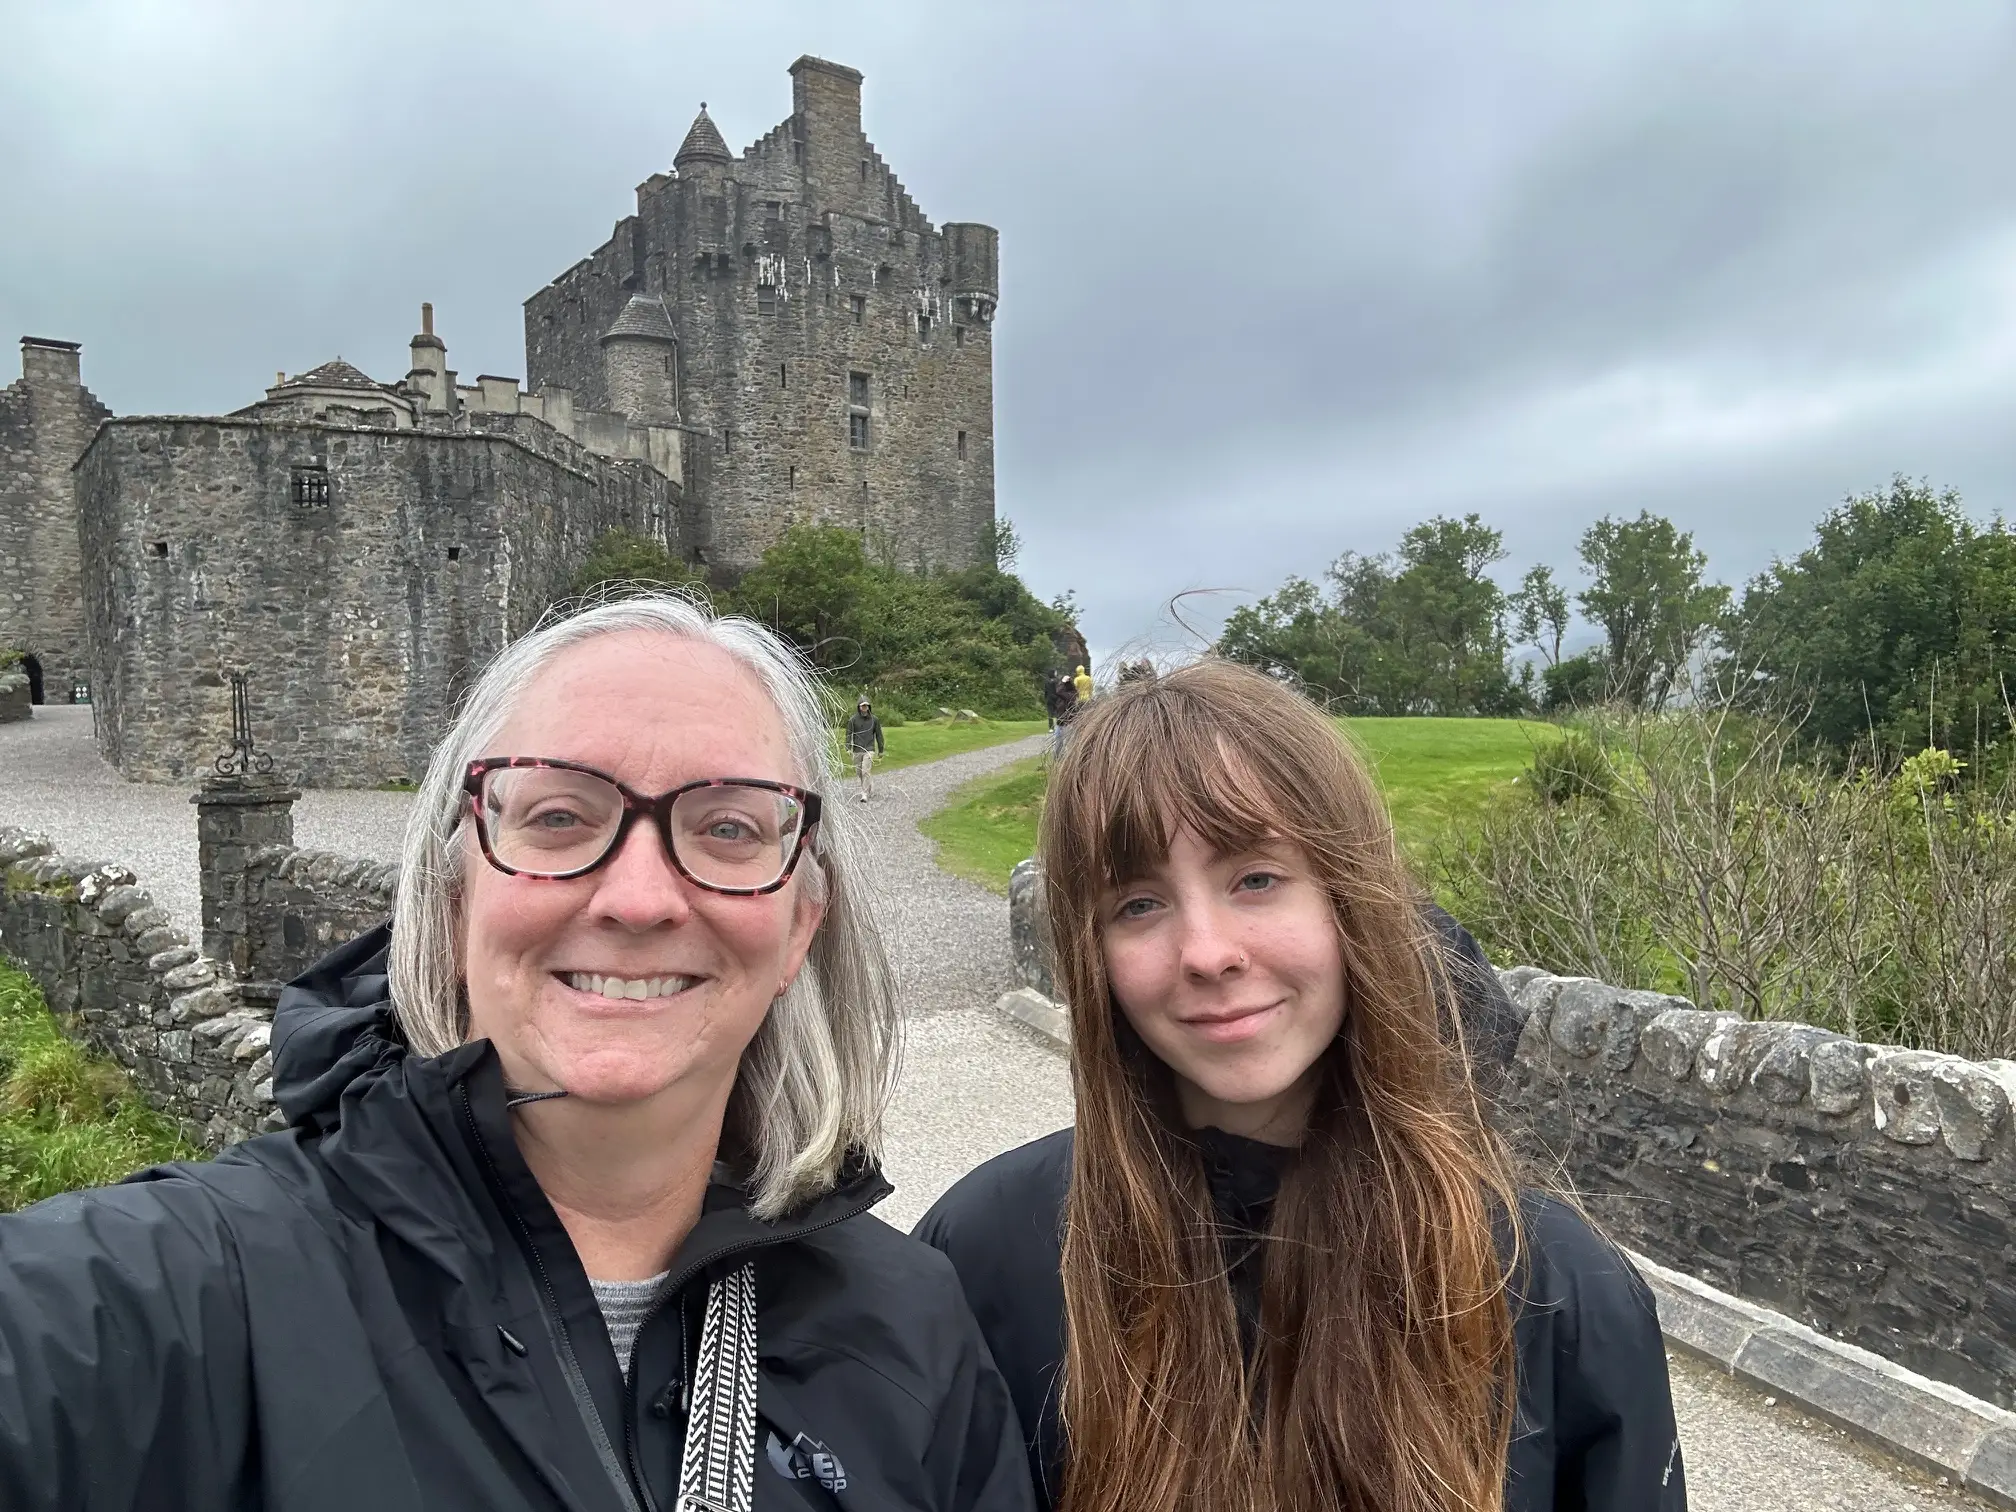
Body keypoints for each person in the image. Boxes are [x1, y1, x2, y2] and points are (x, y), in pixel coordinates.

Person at [0, 594, 1035, 1512]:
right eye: (556, 816)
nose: (637, 899)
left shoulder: (916, 1333)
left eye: (726, 828)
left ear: (801, 924)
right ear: (453, 893)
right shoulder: (185, 1293)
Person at [916, 659, 1684, 1512]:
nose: (1207, 952)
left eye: (1256, 879)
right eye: (1137, 903)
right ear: (1090, 955)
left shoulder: (1553, 1288)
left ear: (1350, 899)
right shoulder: (982, 1256)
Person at [846, 695, 886, 803]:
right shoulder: (853, 720)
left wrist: (881, 750)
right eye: (862, 706)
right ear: (859, 707)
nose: (864, 708)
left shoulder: (874, 720)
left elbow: (879, 735)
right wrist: (848, 747)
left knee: (865, 771)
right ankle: (869, 783)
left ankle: (864, 794)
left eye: (866, 706)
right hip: (857, 749)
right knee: (859, 772)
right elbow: (849, 734)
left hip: (869, 749)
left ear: (869, 707)